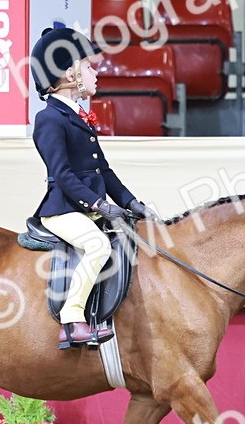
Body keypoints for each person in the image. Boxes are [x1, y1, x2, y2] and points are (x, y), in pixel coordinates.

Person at [29, 25, 160, 350]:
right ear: (69, 73)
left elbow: (105, 171)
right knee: (98, 246)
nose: (95, 72)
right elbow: (62, 175)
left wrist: (132, 203)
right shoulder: (50, 119)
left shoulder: (79, 117)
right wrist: (100, 206)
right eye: (88, 66)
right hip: (63, 210)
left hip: (86, 207)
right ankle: (72, 320)